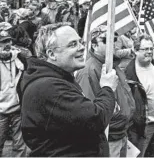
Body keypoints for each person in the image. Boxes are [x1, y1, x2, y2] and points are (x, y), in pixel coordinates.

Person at [19, 23, 118, 157]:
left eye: (80, 42)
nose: (82, 48)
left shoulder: (56, 79)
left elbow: (80, 117)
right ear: (51, 54)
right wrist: (107, 89)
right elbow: (95, 119)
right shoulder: (49, 87)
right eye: (72, 44)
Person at [76, 26, 136, 157]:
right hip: (108, 137)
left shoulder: (113, 65)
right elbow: (88, 111)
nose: (112, 44)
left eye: (114, 39)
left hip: (121, 132)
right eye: (106, 40)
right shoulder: (88, 70)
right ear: (95, 45)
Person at [0, 28, 28, 157]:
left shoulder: (20, 58)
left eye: (8, 41)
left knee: (20, 146)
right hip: (1, 112)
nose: (6, 45)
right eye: (2, 42)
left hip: (18, 109)